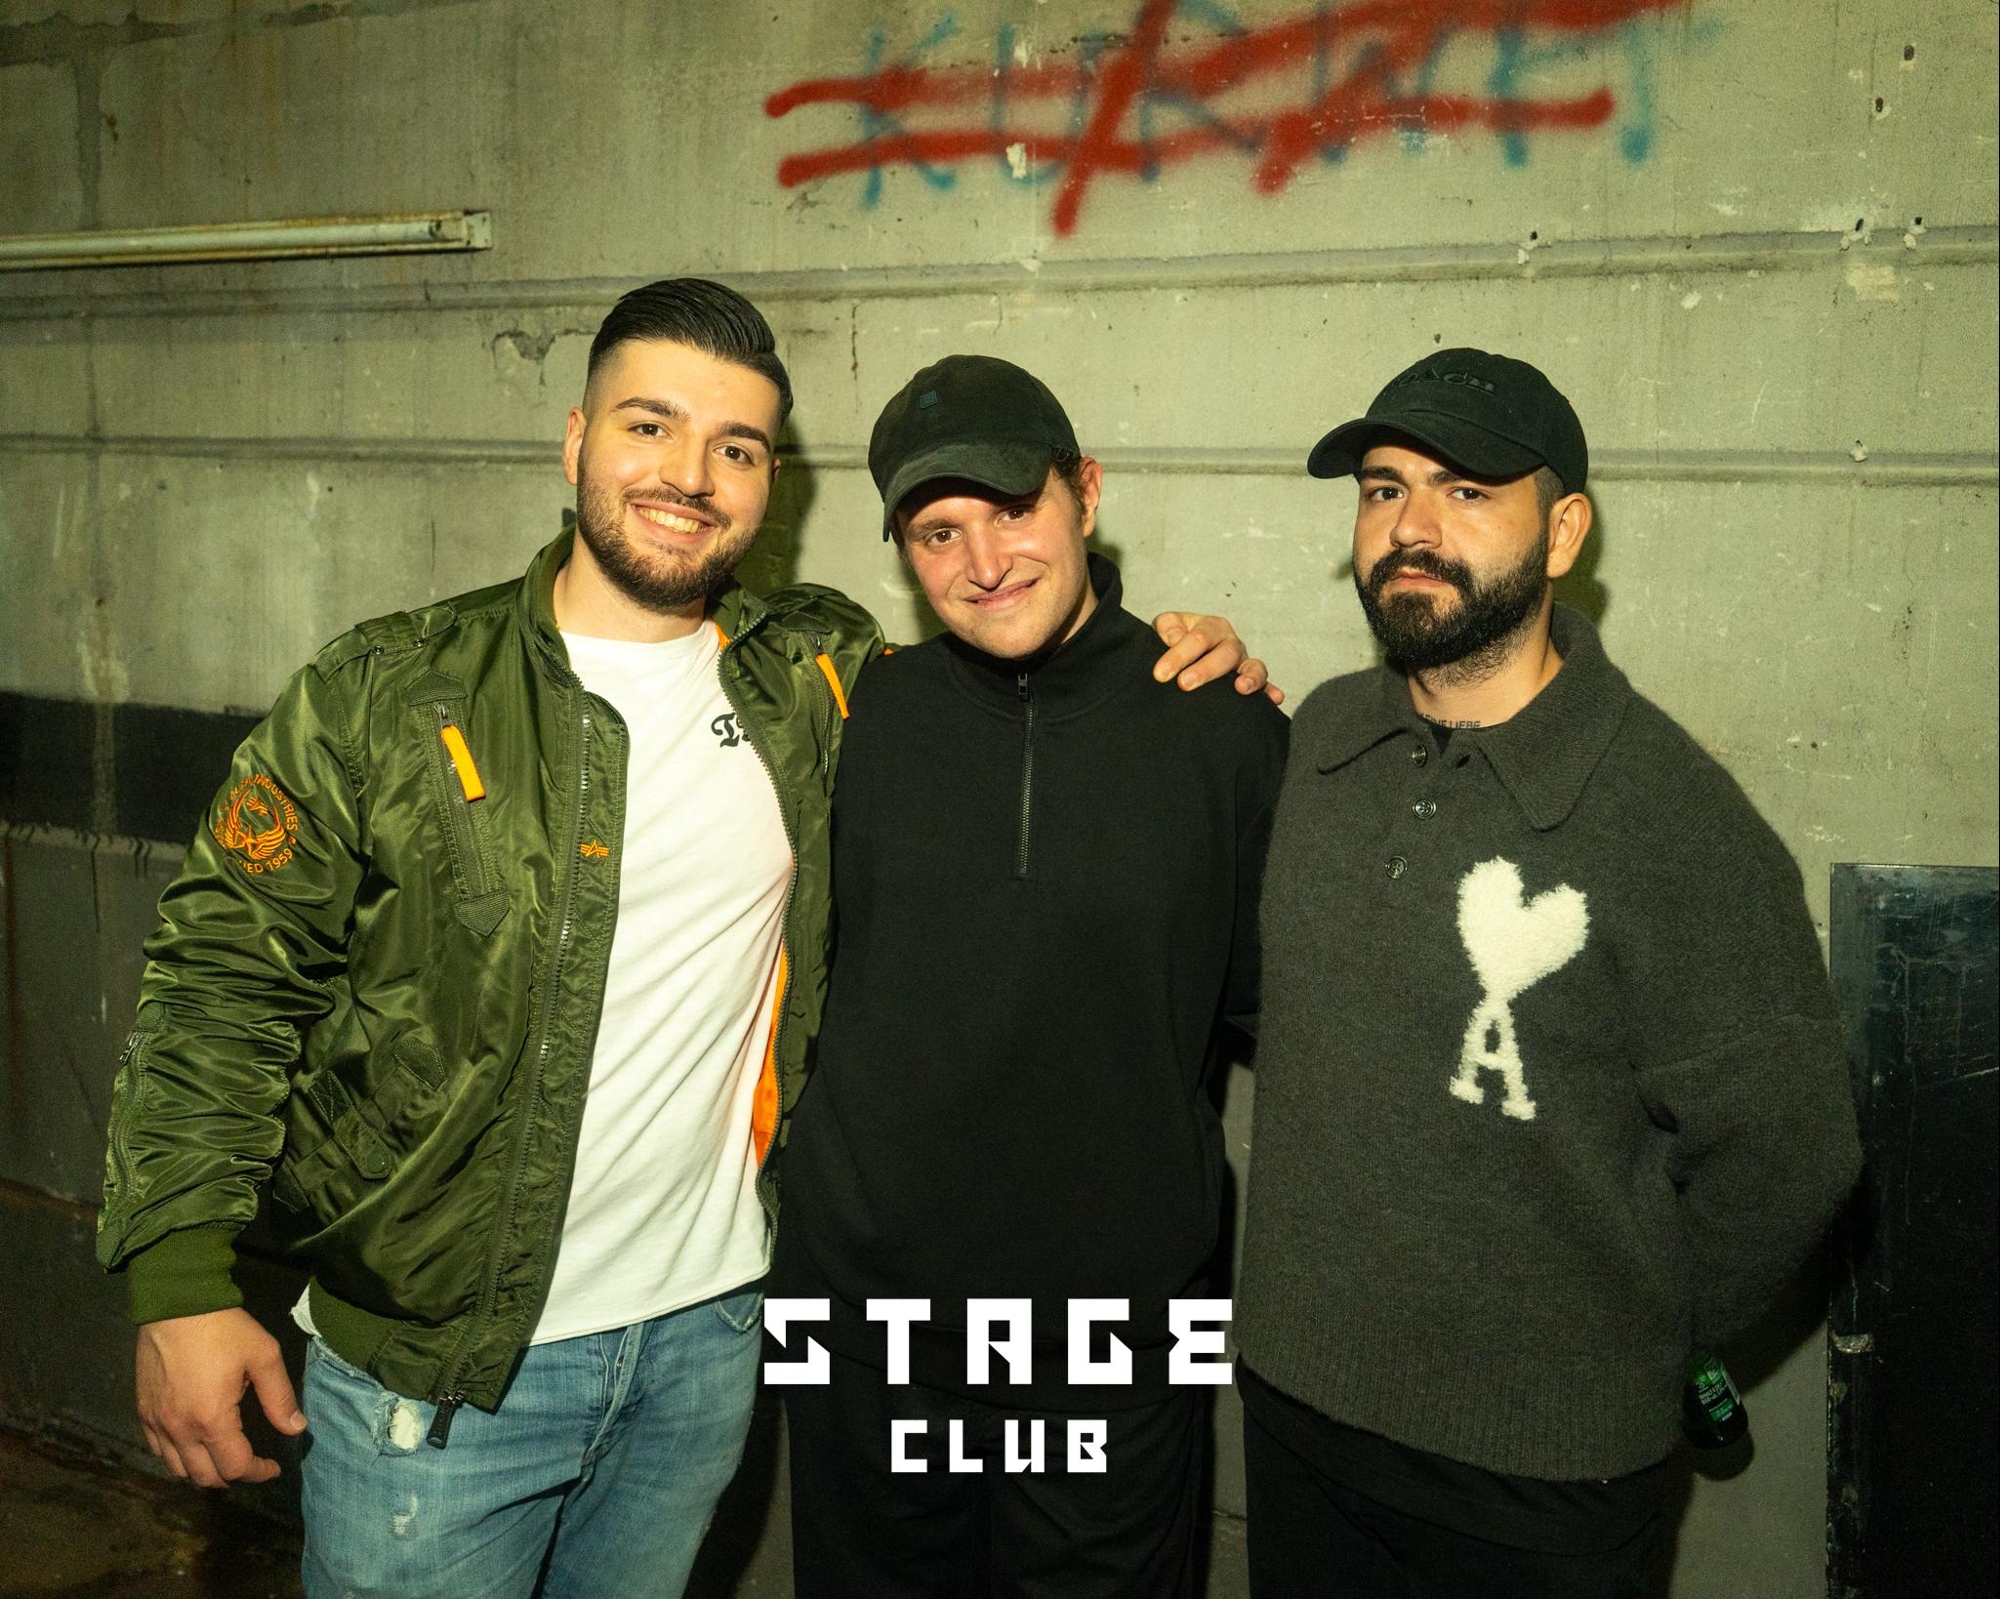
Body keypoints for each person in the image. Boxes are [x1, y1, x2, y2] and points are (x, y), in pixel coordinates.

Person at [93, 281, 1265, 1599]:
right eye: (650, 426)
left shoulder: (813, 678)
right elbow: (221, 977)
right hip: (449, 1363)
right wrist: (179, 1277)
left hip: (710, 1340)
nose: (690, 476)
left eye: (736, 447)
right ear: (576, 438)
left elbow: (1047, 684)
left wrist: (1185, 656)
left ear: (768, 485)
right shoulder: (391, 691)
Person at [1233, 348, 1863, 1598]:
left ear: (1562, 530)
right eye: (1381, 488)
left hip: (1540, 1480)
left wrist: (1633, 1328)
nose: (1409, 527)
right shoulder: (1313, 744)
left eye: (1465, 492)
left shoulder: (1671, 819)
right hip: (1296, 1417)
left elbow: (1792, 1150)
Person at [770, 355, 1291, 1598]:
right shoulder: (854, 717)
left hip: (1119, 1330)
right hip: (863, 1321)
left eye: (1012, 511)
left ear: (1085, 493)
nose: (985, 561)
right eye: (938, 532)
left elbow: (1290, 1014)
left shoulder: (1223, 724)